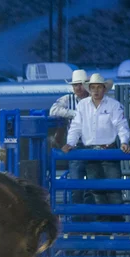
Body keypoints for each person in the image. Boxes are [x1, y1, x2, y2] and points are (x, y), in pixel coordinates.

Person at [63, 73, 130, 222]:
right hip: (90, 152)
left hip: (109, 150)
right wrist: (71, 142)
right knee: (97, 190)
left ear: (104, 89)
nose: (95, 90)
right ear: (89, 89)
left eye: (98, 87)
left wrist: (124, 141)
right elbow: (76, 126)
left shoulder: (113, 105)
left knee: (113, 189)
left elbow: (121, 125)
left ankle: (117, 224)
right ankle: (104, 225)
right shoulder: (82, 105)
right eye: (93, 87)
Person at [50, 69, 95, 220]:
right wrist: (74, 114)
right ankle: (78, 221)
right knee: (76, 187)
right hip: (76, 148)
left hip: (92, 147)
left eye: (80, 84)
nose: (78, 88)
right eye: (75, 85)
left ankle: (87, 221)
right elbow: (53, 110)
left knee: (91, 187)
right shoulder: (68, 99)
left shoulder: (95, 98)